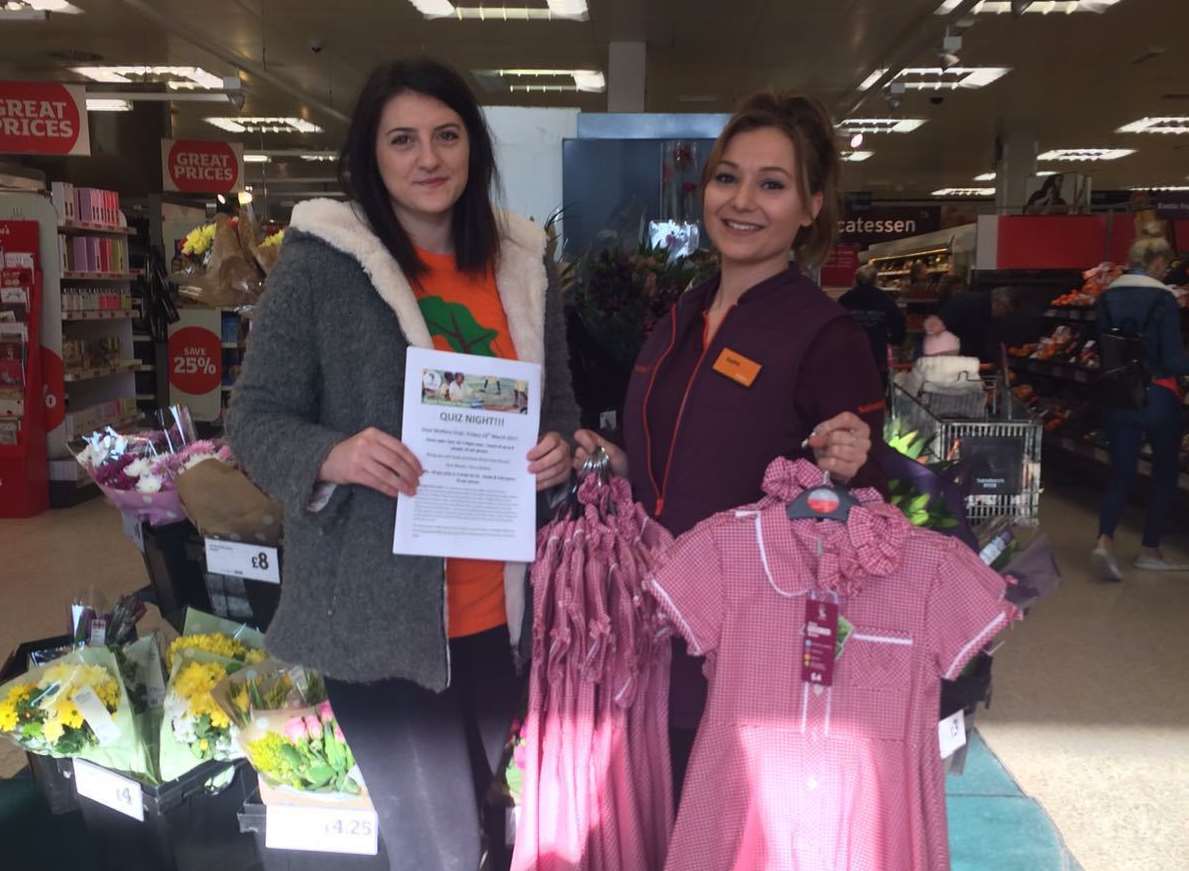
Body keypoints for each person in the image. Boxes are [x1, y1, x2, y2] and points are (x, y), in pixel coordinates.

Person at [226, 58, 579, 870]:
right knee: (444, 851)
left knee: (495, 832)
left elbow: (554, 400)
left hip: (499, 613)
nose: (428, 158)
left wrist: (558, 443)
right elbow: (253, 418)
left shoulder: (523, 263)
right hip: (375, 621)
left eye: (447, 135)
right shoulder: (323, 263)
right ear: (370, 155)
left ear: (472, 147)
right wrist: (333, 453)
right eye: (403, 139)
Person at [573, 91, 884, 794]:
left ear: (810, 206)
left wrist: (842, 476)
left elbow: (863, 515)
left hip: (745, 648)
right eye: (726, 177)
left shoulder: (823, 335)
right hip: (649, 624)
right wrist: (602, 456)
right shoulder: (680, 316)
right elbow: (669, 465)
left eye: (771, 184)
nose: (741, 200)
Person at [1091, 230, 1189, 580]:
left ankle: (1105, 539)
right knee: (1163, 473)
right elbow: (1174, 358)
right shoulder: (1163, 300)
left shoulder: (1106, 297)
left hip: (1119, 395)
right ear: (1158, 262)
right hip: (1159, 395)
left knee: (1121, 471)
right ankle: (1150, 549)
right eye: (1166, 265)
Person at [838, 262, 907, 385]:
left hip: (851, 352)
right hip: (876, 351)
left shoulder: (845, 299)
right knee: (876, 388)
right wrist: (895, 340)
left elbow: (837, 326)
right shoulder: (884, 299)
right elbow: (898, 324)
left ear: (856, 279)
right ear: (875, 279)